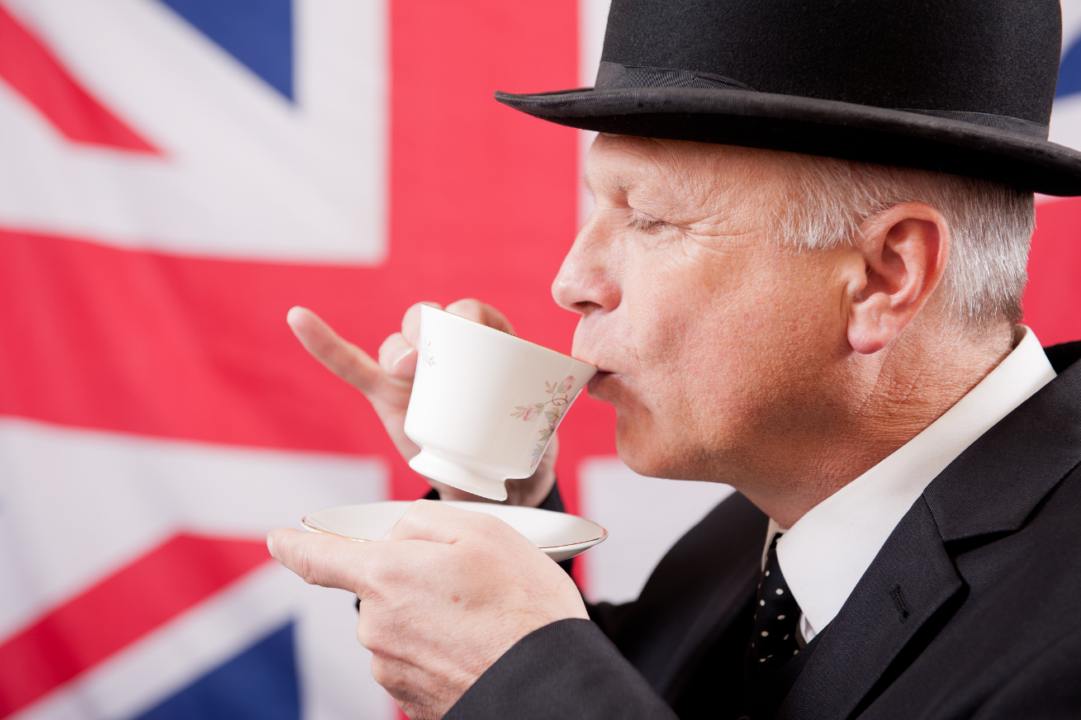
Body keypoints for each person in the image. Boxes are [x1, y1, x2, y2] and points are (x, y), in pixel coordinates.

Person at [267, 1, 1081, 718]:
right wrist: (487, 496)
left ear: (882, 276)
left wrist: (526, 688)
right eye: (597, 206)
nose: (570, 282)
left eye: (649, 217)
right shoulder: (759, 524)